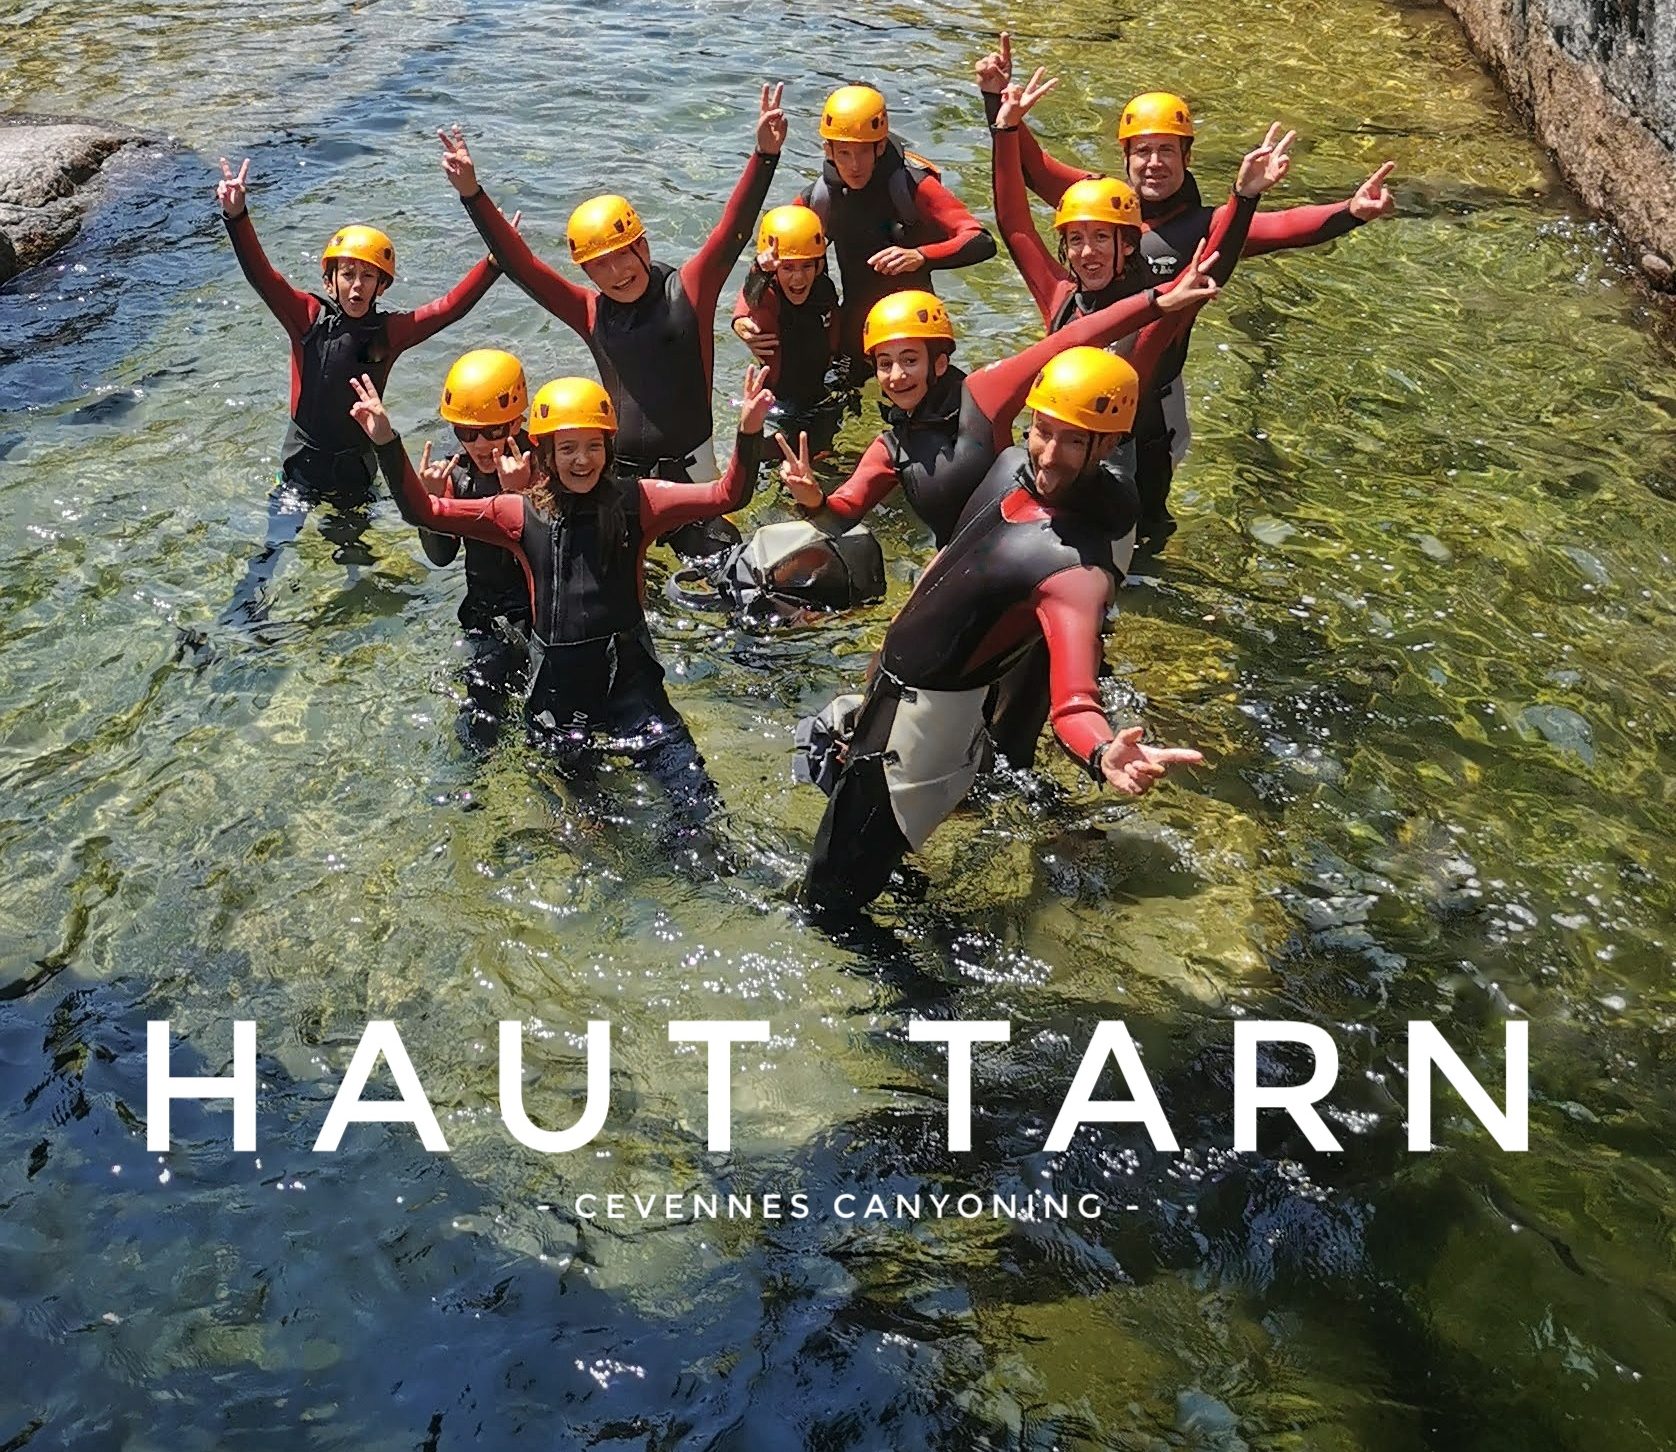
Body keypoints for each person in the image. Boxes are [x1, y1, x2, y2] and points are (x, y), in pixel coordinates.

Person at [802, 347, 1204, 914]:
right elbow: (944, 568)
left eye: (1074, 440)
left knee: (828, 905)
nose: (1050, 454)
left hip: (923, 729)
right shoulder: (1009, 467)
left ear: (1110, 445)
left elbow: (1075, 701)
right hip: (900, 696)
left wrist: (1103, 751)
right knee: (849, 829)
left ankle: (929, 991)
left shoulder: (1076, 569)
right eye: (1044, 429)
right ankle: (911, 889)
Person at [975, 34, 1398, 545]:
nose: (1154, 163)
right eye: (1143, 152)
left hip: (1151, 388)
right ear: (1125, 158)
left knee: (1145, 511)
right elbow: (1019, 204)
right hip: (1082, 403)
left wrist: (1341, 211)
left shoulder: (1201, 231)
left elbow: (1273, 232)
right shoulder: (1091, 221)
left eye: (1167, 151)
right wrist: (1000, 109)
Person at [350, 364, 774, 832]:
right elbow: (422, 510)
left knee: (699, 810)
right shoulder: (518, 512)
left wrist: (748, 430)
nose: (582, 460)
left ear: (609, 449)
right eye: (567, 448)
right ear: (546, 453)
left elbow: (727, 495)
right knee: (588, 830)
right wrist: (386, 442)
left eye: (594, 446)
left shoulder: (641, 501)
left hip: (633, 689)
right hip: (558, 700)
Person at [436, 85, 787, 559]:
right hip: (612, 480)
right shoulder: (590, 311)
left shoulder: (688, 290)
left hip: (690, 473)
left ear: (642, 246)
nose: (616, 273)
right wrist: (473, 194)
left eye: (623, 256)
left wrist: (764, 156)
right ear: (585, 271)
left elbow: (732, 231)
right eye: (599, 265)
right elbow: (523, 268)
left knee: (723, 579)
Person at [774, 238, 1220, 553]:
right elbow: (842, 513)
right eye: (884, 363)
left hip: (1041, 547)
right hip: (969, 567)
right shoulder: (890, 448)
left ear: (940, 363)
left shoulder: (983, 395)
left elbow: (1070, 340)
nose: (896, 375)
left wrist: (1159, 301)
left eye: (910, 359)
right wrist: (811, 496)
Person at [214, 156, 503, 622]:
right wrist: (237, 217)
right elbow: (262, 276)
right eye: (347, 273)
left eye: (367, 275)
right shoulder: (306, 319)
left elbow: (447, 308)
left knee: (354, 550)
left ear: (381, 285)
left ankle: (360, 615)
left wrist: (493, 263)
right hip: (301, 463)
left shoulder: (388, 335)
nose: (356, 284)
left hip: (355, 467)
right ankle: (243, 617)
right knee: (275, 543)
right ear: (330, 279)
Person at [798, 84, 996, 362]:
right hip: (857, 326)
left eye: (864, 152)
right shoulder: (821, 197)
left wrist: (920, 256)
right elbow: (773, 257)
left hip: (914, 325)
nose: (855, 165)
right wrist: (745, 319)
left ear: (880, 146)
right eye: (844, 153)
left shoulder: (911, 187)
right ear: (828, 150)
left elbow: (980, 240)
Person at [412, 348, 535, 752]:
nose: (480, 443)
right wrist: (432, 508)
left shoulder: (544, 466)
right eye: (467, 433)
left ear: (517, 421)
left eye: (493, 430)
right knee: (479, 713)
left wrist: (523, 496)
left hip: (539, 613)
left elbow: (562, 549)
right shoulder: (455, 474)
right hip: (485, 614)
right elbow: (441, 556)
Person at [731, 204, 849, 457]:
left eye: (806, 266)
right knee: (768, 462)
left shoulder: (823, 289)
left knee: (822, 457)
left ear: (818, 265)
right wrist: (759, 272)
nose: (798, 279)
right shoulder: (769, 296)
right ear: (775, 270)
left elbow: (836, 333)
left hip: (820, 393)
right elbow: (751, 298)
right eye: (788, 268)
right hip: (778, 402)